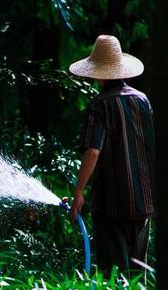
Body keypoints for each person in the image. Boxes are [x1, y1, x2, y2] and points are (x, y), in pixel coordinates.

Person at [68, 35, 155, 276]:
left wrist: (79, 191)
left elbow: (93, 150)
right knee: (138, 277)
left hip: (111, 205)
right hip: (143, 204)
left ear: (97, 72)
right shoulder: (142, 100)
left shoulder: (100, 105)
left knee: (114, 276)